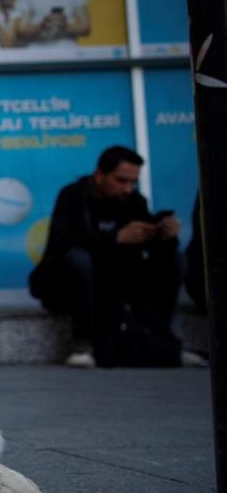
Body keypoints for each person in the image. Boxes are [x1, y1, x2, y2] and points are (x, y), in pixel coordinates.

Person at [28, 146, 188, 368]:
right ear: (99, 175)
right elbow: (60, 243)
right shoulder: (73, 196)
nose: (127, 189)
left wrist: (164, 235)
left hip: (117, 281)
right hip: (72, 283)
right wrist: (115, 237)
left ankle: (161, 337)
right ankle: (82, 343)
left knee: (175, 260)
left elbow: (152, 246)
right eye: (121, 180)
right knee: (78, 259)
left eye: (133, 182)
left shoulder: (133, 201)